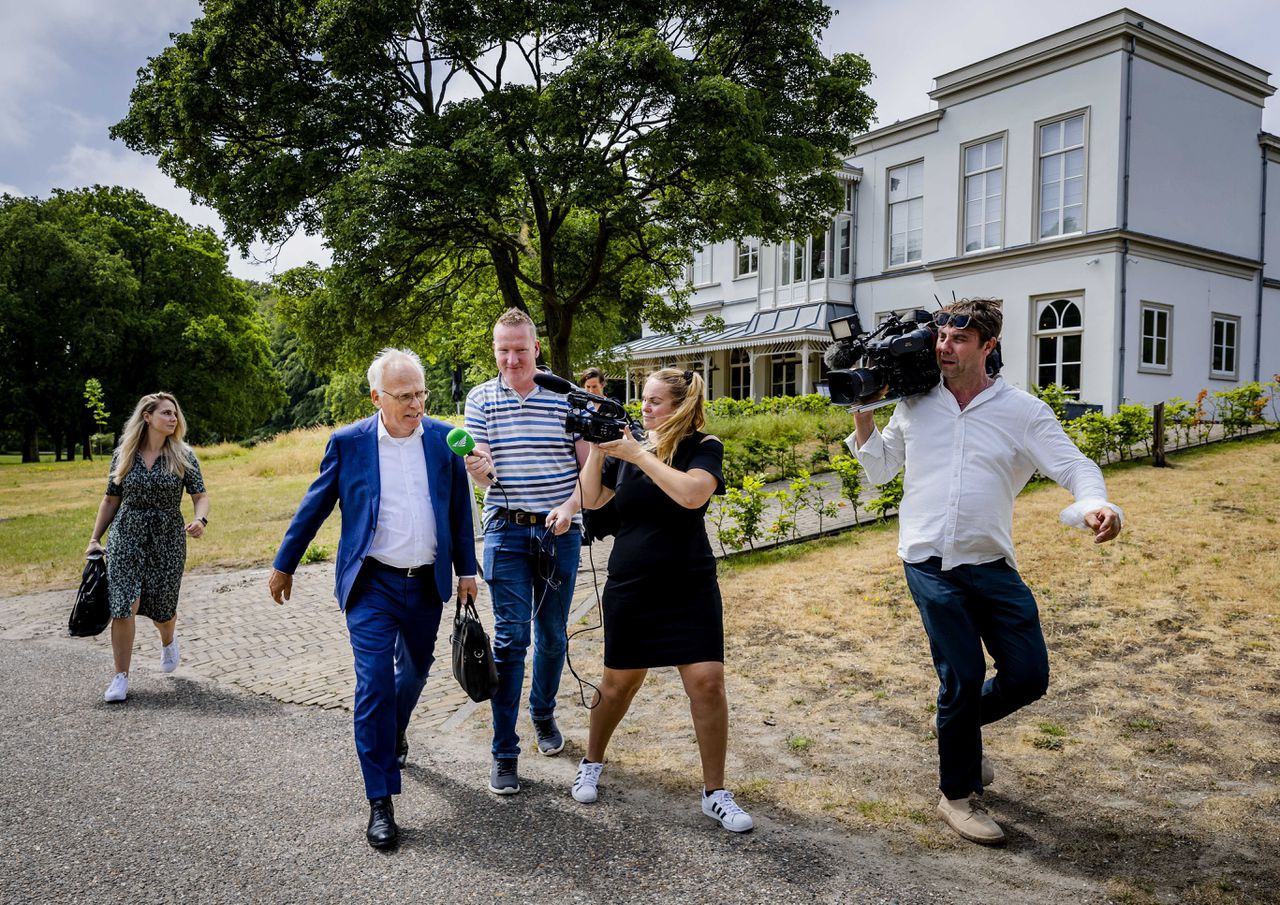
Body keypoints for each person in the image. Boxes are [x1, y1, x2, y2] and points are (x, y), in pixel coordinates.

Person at [848, 298, 1123, 845]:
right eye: (940, 337)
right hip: (927, 561)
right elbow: (880, 470)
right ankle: (958, 794)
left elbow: (1074, 465)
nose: (944, 347)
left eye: (959, 338)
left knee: (1028, 676)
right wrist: (863, 412)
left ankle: (957, 726)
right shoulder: (916, 404)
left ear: (988, 346)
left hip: (992, 562)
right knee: (963, 675)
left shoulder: (1022, 411)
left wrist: (1097, 503)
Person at [268, 348, 477, 850]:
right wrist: (285, 563)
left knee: (417, 670)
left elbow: (459, 509)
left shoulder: (445, 439)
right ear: (376, 397)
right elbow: (314, 505)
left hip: (426, 581)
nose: (415, 404)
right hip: (372, 584)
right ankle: (380, 799)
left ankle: (394, 730)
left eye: (420, 393)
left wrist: (468, 569)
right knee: (375, 682)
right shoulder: (350, 443)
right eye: (403, 396)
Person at [571, 368, 753, 833]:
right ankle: (592, 761)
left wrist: (639, 453)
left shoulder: (703, 447)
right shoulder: (627, 449)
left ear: (679, 406)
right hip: (631, 584)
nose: (643, 408)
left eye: (654, 401)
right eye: (643, 399)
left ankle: (715, 792)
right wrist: (596, 448)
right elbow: (592, 501)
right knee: (617, 686)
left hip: (689, 582)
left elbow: (692, 495)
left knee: (708, 683)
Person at [463, 309, 583, 794]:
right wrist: (479, 468)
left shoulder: (567, 397)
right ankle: (504, 752)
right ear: (495, 352)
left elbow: (587, 469)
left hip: (560, 532)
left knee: (552, 635)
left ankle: (543, 713)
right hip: (506, 533)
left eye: (519, 349)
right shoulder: (481, 398)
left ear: (536, 349)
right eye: (502, 350)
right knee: (512, 640)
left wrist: (571, 508)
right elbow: (482, 460)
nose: (511, 359)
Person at [86, 392, 209, 704]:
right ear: (147, 417)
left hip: (168, 536)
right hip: (127, 533)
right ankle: (120, 677)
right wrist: (95, 538)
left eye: (174, 414)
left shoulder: (184, 455)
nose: (173, 419)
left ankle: (168, 639)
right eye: (166, 413)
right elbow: (111, 499)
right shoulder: (125, 454)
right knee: (125, 603)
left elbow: (200, 495)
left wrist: (200, 520)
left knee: (163, 606)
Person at [577, 367, 620, 546]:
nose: (591, 391)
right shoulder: (580, 407)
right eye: (587, 387)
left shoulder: (613, 406)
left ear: (602, 385)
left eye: (594, 386)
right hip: (585, 460)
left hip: (607, 460)